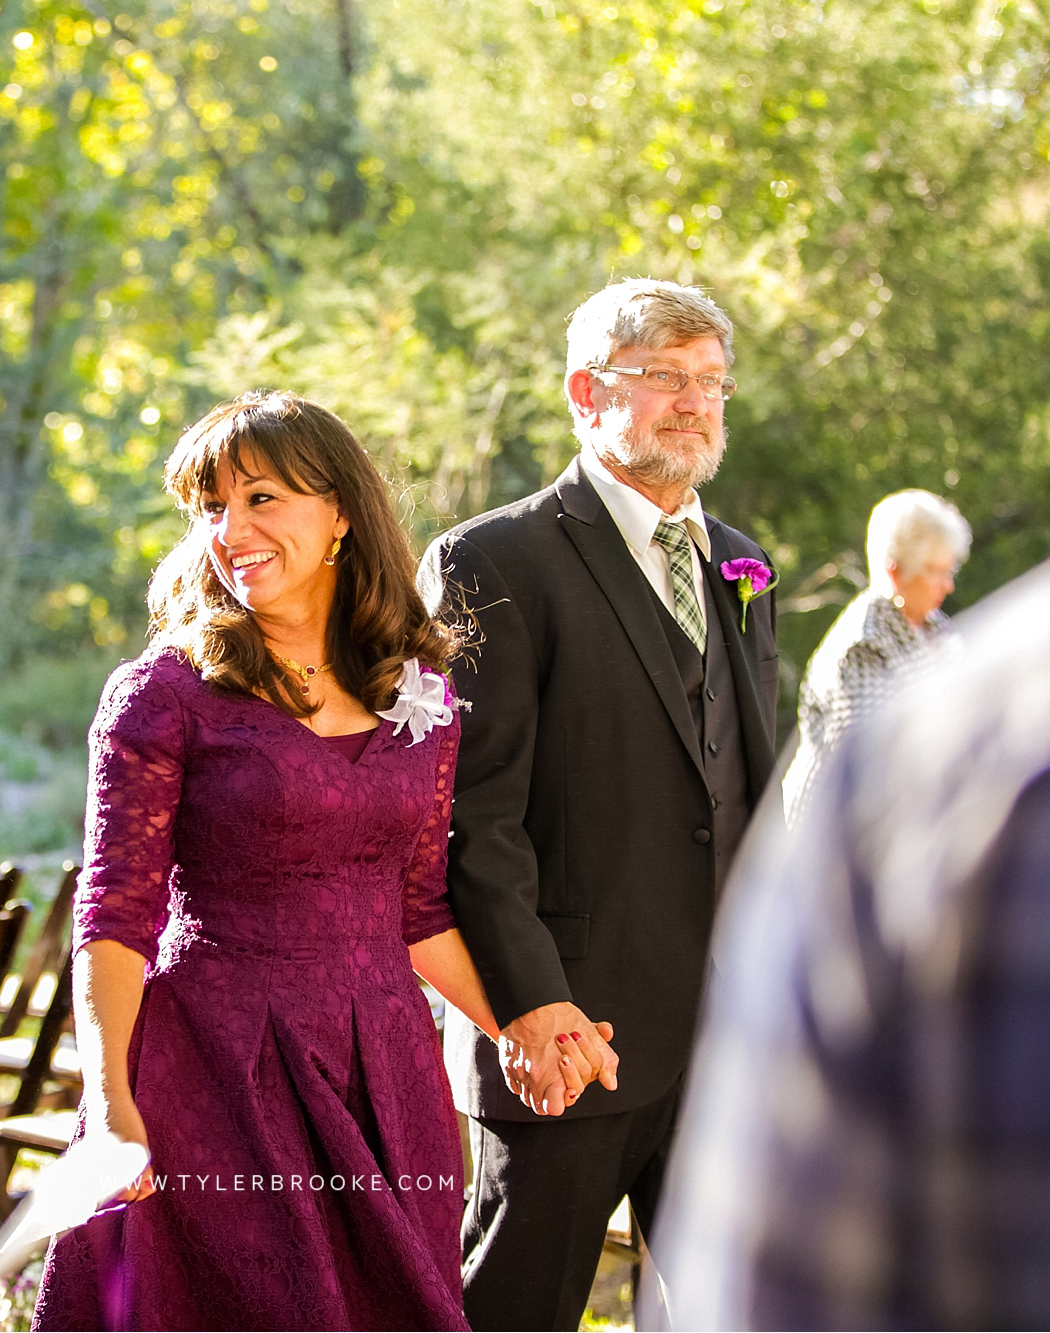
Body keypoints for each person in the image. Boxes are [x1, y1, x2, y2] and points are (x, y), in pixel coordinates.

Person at [656, 0, 1050, 1327]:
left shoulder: (991, 746)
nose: (949, 585)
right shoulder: (901, 687)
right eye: (938, 569)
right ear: (906, 563)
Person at [31, 390, 568, 1332]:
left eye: (261, 499)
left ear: (341, 516)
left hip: (386, 1073)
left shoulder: (420, 696)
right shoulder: (162, 697)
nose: (229, 530)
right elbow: (114, 918)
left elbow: (417, 909)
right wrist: (112, 1108)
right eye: (210, 507)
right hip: (217, 1072)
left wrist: (516, 1026)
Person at [418, 279, 780, 1331]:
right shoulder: (494, 559)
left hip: (720, 1036)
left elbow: (746, 789)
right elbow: (469, 818)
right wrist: (527, 1006)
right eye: (663, 376)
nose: (694, 402)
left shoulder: (739, 562)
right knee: (514, 1311)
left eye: (709, 381)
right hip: (570, 1034)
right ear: (585, 390)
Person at [780, 488, 969, 821]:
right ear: (896, 573)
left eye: (949, 570)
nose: (948, 585)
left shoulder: (936, 628)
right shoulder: (864, 645)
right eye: (937, 572)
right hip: (839, 838)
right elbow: (872, 767)